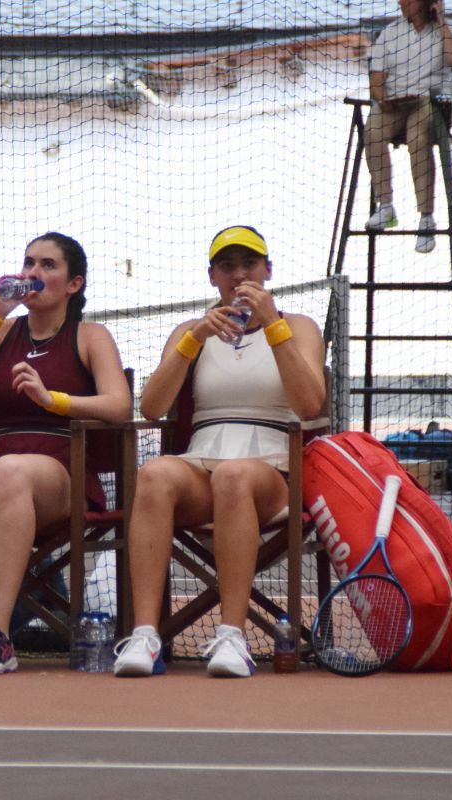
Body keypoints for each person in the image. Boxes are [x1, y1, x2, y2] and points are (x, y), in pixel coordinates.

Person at [112, 226, 327, 678]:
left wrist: (274, 325)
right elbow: (151, 408)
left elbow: (310, 405)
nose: (239, 275)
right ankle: (147, 634)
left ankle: (232, 635)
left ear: (268, 271)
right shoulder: (192, 330)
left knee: (233, 476)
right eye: (227, 267)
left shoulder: (299, 326)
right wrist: (193, 340)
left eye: (249, 264)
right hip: (201, 461)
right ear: (212, 277)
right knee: (153, 473)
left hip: (271, 468)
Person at [0, 232, 131, 674]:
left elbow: (119, 405)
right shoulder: (1, 333)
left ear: (74, 284)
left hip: (61, 478)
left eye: (48, 265)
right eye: (29, 263)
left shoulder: (90, 336)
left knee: (12, 471)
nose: (33, 273)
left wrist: (53, 400)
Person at [364, 0, 452, 254]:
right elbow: (376, 82)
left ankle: (426, 219)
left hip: (433, 102)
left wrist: (440, 19)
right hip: (397, 103)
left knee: (417, 136)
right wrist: (383, 99)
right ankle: (385, 206)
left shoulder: (451, 28)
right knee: (372, 130)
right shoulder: (389, 34)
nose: (401, 2)